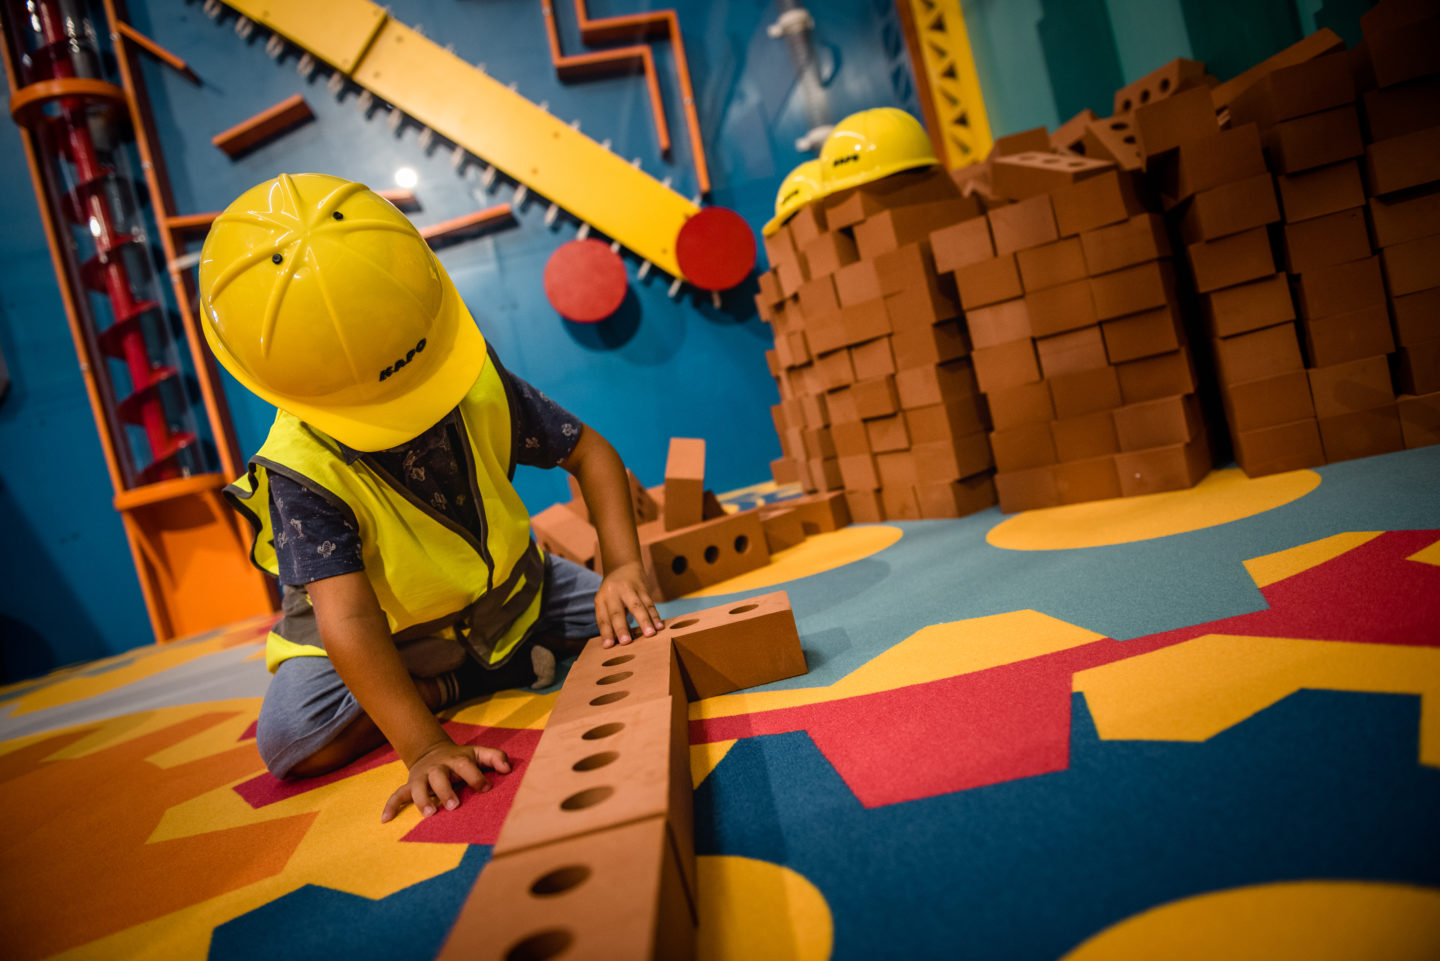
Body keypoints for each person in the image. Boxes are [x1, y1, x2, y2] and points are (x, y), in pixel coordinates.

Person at [198, 172, 661, 823]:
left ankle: (474, 670)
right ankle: (457, 682)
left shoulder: (470, 371)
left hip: (517, 594)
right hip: (394, 641)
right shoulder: (302, 469)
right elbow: (348, 623)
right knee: (291, 741)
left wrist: (622, 569)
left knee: (636, 617)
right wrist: (423, 746)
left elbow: (591, 453)